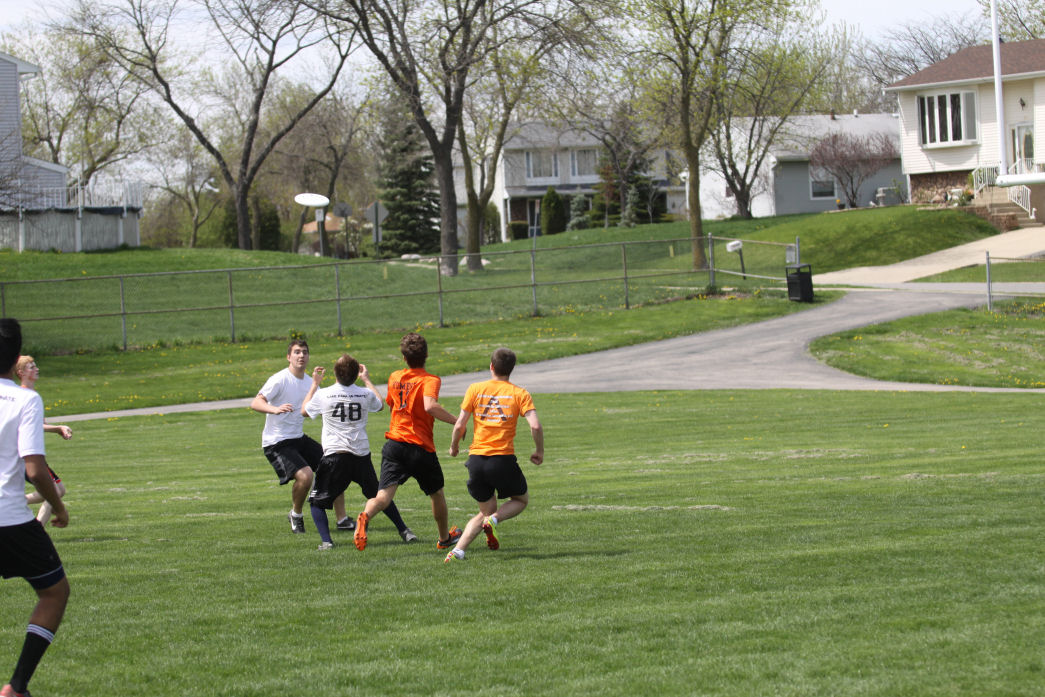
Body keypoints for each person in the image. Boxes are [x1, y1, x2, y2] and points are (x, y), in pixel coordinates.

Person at [0, 319, 71, 697]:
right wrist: (58, 507)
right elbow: (35, 469)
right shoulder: (25, 400)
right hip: (9, 520)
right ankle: (16, 686)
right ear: (15, 360)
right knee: (54, 592)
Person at [353, 332, 462, 551]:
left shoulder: (395, 377)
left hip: (394, 444)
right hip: (420, 447)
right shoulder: (430, 380)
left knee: (383, 496)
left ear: (404, 358)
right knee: (436, 493)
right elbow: (430, 406)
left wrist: (367, 380)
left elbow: (392, 404)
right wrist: (457, 421)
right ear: (427, 355)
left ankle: (365, 515)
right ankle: (444, 538)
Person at [301, 354, 418, 550]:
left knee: (317, 501)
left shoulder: (324, 394)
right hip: (360, 455)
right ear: (356, 375)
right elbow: (380, 405)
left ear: (335, 374)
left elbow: (304, 411)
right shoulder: (364, 394)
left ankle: (327, 542)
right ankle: (405, 531)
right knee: (379, 496)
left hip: (335, 455)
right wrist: (367, 380)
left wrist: (314, 384)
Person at [445, 347, 543, 563]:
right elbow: (535, 426)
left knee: (485, 512)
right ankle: (495, 520)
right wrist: (539, 451)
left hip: (476, 460)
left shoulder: (475, 389)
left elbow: (460, 424)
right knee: (520, 500)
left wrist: (454, 447)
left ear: (491, 366)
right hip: (501, 459)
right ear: (512, 369)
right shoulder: (520, 393)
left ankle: (457, 551)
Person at [250, 339, 350, 534]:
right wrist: (274, 409)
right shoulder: (279, 379)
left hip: (298, 438)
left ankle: (342, 519)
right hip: (277, 442)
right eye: (297, 352)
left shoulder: (310, 383)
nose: (301, 355)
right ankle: (296, 515)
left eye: (304, 352)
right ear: (289, 357)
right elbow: (256, 402)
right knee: (306, 476)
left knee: (334, 465)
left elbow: (319, 408)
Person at [15, 356, 72, 525]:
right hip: (25, 454)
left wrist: (56, 428)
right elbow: (33, 426)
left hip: (31, 452)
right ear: (21, 373)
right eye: (31, 367)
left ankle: (12, 503)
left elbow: (39, 425)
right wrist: (58, 428)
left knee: (59, 490)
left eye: (35, 366)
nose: (36, 369)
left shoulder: (32, 395)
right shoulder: (24, 396)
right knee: (54, 491)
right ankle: (38, 527)